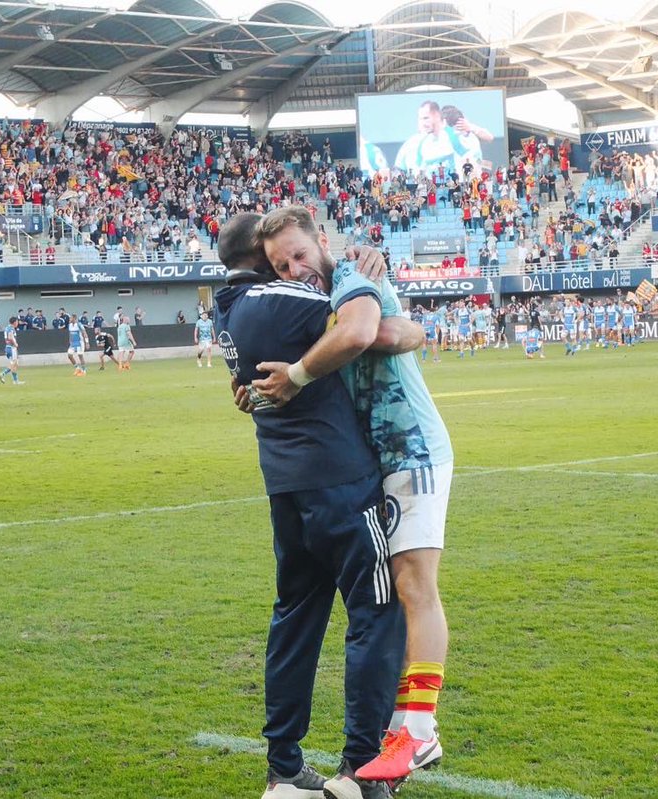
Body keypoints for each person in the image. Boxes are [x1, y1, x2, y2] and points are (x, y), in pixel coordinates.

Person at [252, 205, 455, 787]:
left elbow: (386, 332)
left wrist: (299, 372)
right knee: (390, 592)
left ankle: (418, 730)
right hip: (374, 461)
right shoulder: (314, 298)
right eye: (280, 264)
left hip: (413, 449)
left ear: (322, 239)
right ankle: (394, 735)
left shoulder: (352, 277)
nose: (295, 268)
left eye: (299, 253)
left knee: (413, 585)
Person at [214, 213, 406, 799]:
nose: (296, 267)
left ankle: (284, 770)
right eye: (282, 258)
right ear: (262, 256)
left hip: (285, 486)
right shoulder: (286, 299)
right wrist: (364, 270)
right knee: (377, 612)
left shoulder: (224, 311)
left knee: (295, 619)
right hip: (340, 481)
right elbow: (369, 330)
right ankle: (363, 769)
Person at [0, 316, 24, 385]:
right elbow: (10, 336)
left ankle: (15, 381)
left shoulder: (7, 328)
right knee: (14, 364)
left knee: (14, 364)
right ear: (15, 322)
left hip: (7, 348)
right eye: (17, 321)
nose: (18, 323)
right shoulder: (11, 329)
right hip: (12, 348)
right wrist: (15, 343)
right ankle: (3, 373)